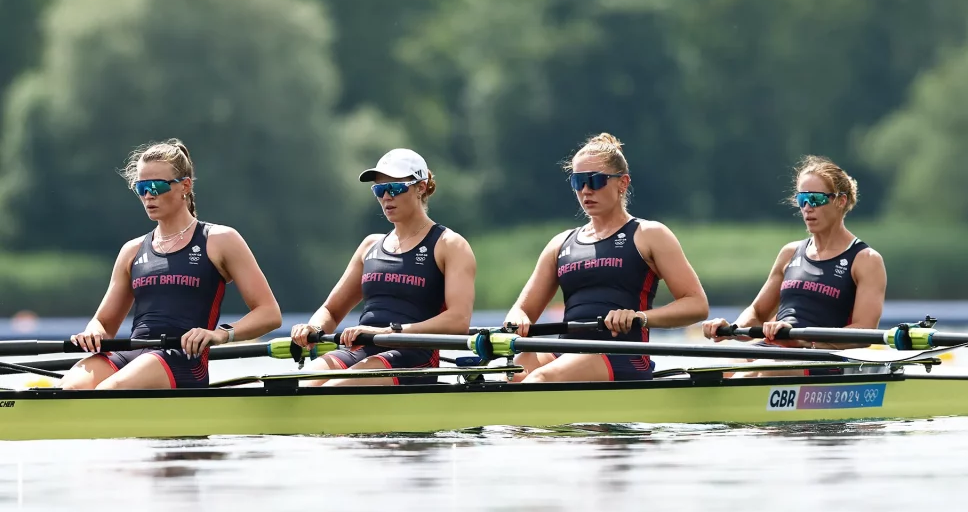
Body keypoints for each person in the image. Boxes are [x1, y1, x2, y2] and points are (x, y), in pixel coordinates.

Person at [63, 140, 282, 390]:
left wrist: (220, 334)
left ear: (185, 186)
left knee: (108, 391)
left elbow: (269, 313)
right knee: (70, 389)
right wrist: (93, 333)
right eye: (141, 187)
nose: (148, 195)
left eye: (156, 186)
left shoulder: (220, 240)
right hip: (133, 353)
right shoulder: (132, 251)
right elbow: (103, 323)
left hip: (184, 359)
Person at [504, 133, 709, 383]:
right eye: (578, 181)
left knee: (541, 378)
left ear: (623, 183)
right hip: (567, 353)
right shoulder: (560, 244)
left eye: (596, 181)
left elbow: (697, 304)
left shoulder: (649, 235)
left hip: (624, 353)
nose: (586, 190)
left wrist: (640, 318)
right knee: (514, 371)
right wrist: (518, 321)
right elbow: (522, 310)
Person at [289, 148, 476, 385]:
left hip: (413, 355)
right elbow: (332, 311)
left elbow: (459, 321)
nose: (386, 197)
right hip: (363, 348)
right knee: (296, 385)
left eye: (395, 188)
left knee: (334, 388)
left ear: (421, 187)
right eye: (379, 189)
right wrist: (312, 327)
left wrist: (391, 332)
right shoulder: (370, 245)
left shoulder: (450, 245)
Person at [701, 155, 887, 372]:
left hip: (825, 359)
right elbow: (758, 313)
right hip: (776, 351)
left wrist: (804, 341)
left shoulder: (866, 260)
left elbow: (863, 334)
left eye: (815, 199)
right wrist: (731, 328)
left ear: (840, 200)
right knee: (709, 373)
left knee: (762, 369)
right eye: (802, 199)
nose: (807, 207)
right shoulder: (789, 253)